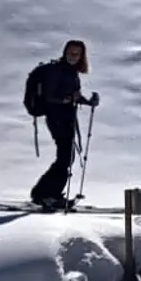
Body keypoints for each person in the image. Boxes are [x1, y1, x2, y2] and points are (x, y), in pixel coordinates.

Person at [26, 39, 97, 211]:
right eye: (71, 52)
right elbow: (51, 96)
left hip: (64, 117)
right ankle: (47, 194)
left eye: (77, 54)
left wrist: (88, 101)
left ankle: (45, 193)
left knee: (66, 156)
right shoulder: (58, 70)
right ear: (65, 52)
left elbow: (72, 95)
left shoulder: (70, 72)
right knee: (65, 157)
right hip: (57, 117)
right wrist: (67, 99)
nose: (73, 56)